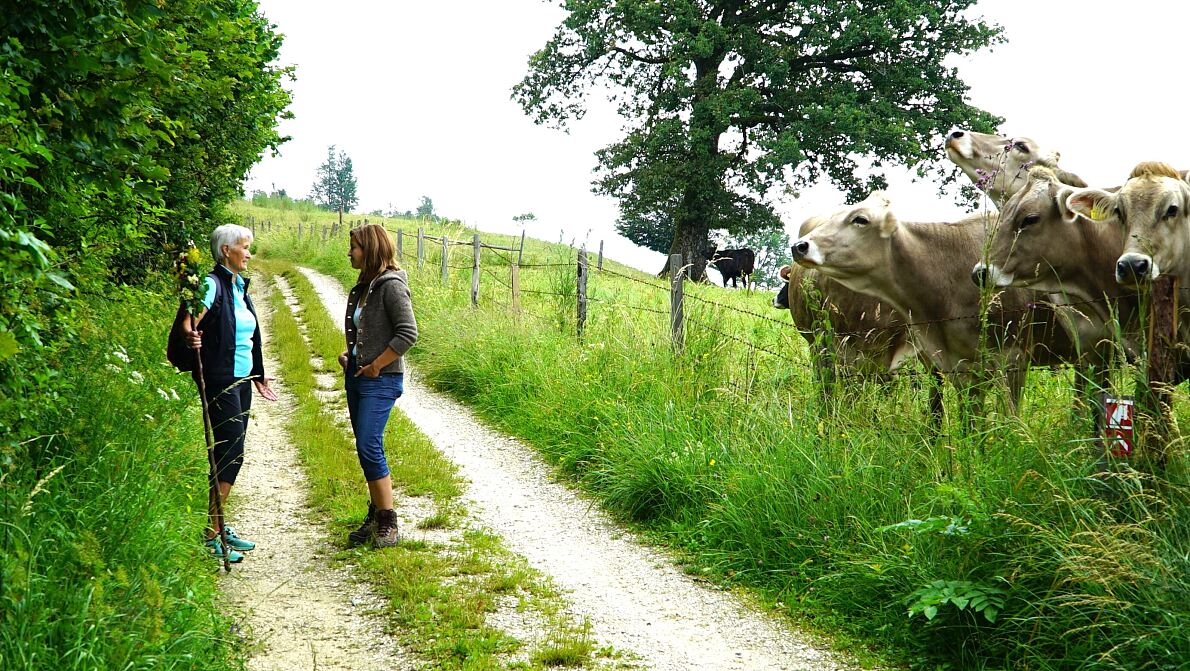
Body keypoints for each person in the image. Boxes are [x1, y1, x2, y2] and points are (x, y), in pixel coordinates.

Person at [184, 223, 278, 562]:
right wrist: (191, 334)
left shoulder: (239, 287)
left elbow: (247, 337)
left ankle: (217, 526)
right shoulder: (211, 284)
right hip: (220, 378)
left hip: (239, 381)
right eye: (245, 247)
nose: (249, 253)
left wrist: (258, 376)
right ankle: (212, 533)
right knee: (230, 454)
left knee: (230, 453)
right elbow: (189, 322)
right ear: (226, 251)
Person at [339, 223, 418, 548]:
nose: (349, 253)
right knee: (364, 446)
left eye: (354, 247)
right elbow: (369, 331)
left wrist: (375, 365)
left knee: (370, 445)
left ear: (369, 249)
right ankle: (375, 514)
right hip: (359, 375)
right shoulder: (365, 285)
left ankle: (388, 521)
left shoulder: (390, 286)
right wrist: (354, 354)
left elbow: (408, 334)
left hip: (381, 379)